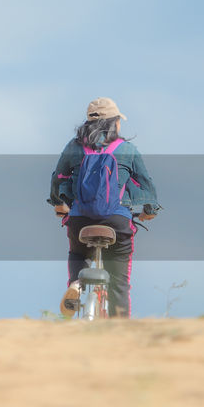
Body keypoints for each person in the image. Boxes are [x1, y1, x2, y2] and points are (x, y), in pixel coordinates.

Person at [48, 97, 160, 318]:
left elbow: (58, 178)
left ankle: (76, 283)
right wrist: (150, 211)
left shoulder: (74, 147)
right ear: (115, 122)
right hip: (116, 220)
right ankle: (118, 328)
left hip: (80, 219)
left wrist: (58, 204)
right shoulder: (127, 149)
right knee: (119, 284)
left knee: (77, 251)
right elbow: (147, 185)